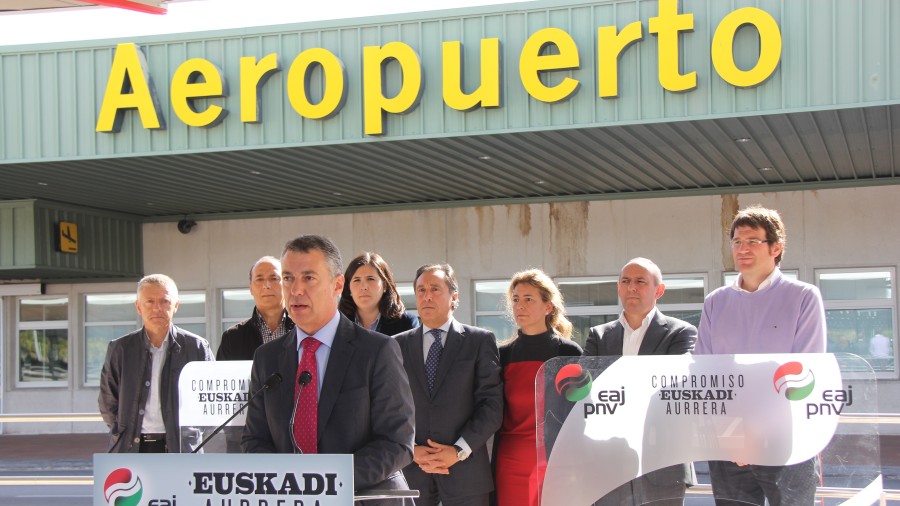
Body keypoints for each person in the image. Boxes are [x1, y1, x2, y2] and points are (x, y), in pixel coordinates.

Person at [241, 235, 415, 504]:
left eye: (309, 278)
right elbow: (255, 440)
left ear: (337, 285)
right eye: (287, 278)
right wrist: (287, 484)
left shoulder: (377, 350)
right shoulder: (267, 358)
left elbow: (397, 442)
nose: (296, 290)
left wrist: (326, 483)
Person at [696, 205, 827, 506]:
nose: (742, 249)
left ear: (776, 247)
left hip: (789, 441)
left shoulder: (804, 297)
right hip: (728, 444)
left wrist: (754, 434)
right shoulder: (716, 302)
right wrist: (732, 434)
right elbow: (703, 372)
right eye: (737, 242)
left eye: (752, 241)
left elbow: (804, 372)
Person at [583, 258, 697, 505]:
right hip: (607, 461)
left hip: (662, 461)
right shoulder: (598, 336)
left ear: (659, 290)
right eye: (625, 281)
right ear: (618, 288)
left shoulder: (681, 332)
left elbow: (673, 386)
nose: (631, 287)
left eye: (640, 281)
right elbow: (587, 389)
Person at [393, 263, 503, 506]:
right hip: (411, 473)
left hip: (466, 475)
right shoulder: (394, 346)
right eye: (421, 290)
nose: (427, 296)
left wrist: (458, 451)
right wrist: (411, 450)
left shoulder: (479, 341)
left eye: (435, 288)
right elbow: (385, 407)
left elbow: (491, 406)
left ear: (454, 297)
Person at [493, 269, 582, 506]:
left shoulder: (569, 352)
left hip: (557, 461)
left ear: (548, 306)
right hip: (510, 462)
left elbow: (582, 411)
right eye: (515, 299)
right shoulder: (502, 355)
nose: (520, 306)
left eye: (528, 299)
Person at [98, 274, 214, 453]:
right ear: (138, 307)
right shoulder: (120, 348)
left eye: (165, 301)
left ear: (176, 306)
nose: (157, 308)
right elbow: (108, 402)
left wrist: (190, 434)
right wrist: (123, 430)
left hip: (181, 449)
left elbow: (210, 401)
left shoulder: (197, 347)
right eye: (149, 302)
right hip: (130, 448)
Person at [217, 256, 295, 360]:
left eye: (274, 278)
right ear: (251, 289)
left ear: (287, 284)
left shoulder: (304, 330)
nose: (266, 285)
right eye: (259, 279)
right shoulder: (233, 337)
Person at [339, 252, 418, 336]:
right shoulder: (337, 324)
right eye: (357, 280)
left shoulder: (406, 323)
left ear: (385, 285)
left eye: (370, 279)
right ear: (348, 287)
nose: (364, 287)